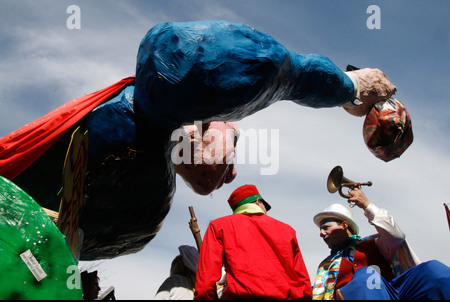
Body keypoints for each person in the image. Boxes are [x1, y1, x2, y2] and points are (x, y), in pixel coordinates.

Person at [0, 21, 398, 261]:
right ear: (209, 119)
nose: (233, 169)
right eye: (235, 143)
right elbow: (265, 65)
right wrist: (349, 86)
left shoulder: (146, 208)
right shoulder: (166, 89)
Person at [312, 187, 450, 300]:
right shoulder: (326, 266)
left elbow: (396, 236)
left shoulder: (375, 244)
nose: (321, 233)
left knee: (433, 269)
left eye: (325, 228)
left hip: (391, 295)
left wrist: (366, 205)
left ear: (344, 225)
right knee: (365, 276)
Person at [194, 184, 312, 300]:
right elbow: (303, 282)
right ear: (257, 201)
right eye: (265, 206)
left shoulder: (219, 226)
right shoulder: (287, 230)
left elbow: (206, 279)